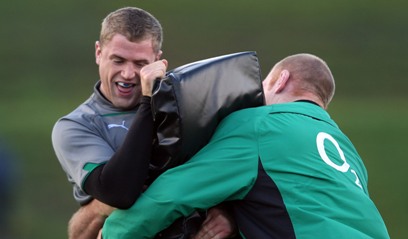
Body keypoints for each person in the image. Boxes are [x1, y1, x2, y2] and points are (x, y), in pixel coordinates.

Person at [101, 53, 390, 239]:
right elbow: (291, 205)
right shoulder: (346, 149)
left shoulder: (259, 124)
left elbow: (174, 194)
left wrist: (115, 232)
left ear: (280, 80)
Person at [52, 7, 235, 239]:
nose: (128, 74)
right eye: (118, 60)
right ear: (98, 52)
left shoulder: (189, 104)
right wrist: (149, 102)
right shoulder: (76, 126)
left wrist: (230, 215)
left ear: (158, 61)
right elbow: (119, 192)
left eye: (140, 64)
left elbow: (232, 165)